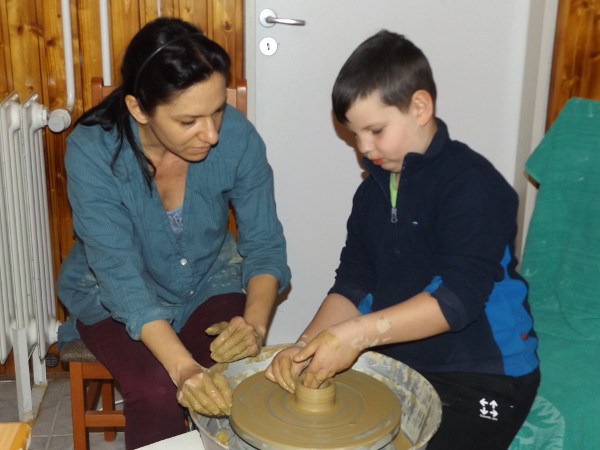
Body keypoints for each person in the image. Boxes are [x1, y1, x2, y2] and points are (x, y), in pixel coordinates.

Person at [265, 30, 539, 450]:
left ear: (420, 107)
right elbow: (355, 283)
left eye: (375, 130)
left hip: (483, 371)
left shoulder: (475, 186)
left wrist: (355, 336)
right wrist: (304, 347)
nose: (364, 148)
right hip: (401, 358)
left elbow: (456, 300)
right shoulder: (371, 193)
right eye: (354, 135)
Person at [57, 17, 290, 449]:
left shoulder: (237, 136)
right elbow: (120, 276)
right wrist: (182, 370)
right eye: (189, 121)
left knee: (227, 378)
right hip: (110, 291)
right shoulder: (92, 151)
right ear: (139, 109)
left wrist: (255, 327)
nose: (212, 134)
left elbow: (264, 245)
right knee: (157, 391)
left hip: (208, 278)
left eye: (218, 110)